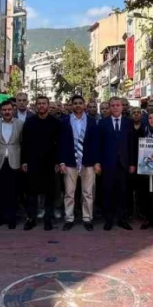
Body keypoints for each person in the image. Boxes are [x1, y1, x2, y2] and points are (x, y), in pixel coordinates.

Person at [59, 95, 100, 231]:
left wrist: (96, 162)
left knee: (88, 193)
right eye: (75, 103)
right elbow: (62, 143)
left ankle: (87, 218)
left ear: (84, 105)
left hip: (87, 161)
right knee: (69, 193)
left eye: (80, 103)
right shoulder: (64, 121)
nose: (77, 105)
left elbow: (95, 143)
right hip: (70, 161)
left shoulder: (92, 121)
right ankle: (69, 218)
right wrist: (62, 162)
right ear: (71, 105)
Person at [21, 96, 61, 230]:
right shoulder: (30, 122)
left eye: (44, 103)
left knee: (49, 192)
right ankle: (31, 218)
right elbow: (24, 143)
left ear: (48, 105)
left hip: (50, 163)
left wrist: (57, 161)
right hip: (33, 162)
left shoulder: (55, 122)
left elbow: (59, 144)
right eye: (39, 104)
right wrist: (24, 161)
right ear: (35, 106)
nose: (41, 106)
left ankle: (48, 219)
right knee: (31, 192)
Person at [98, 97, 136, 231]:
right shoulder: (103, 123)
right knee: (108, 192)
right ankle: (108, 220)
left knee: (123, 192)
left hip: (124, 164)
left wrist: (132, 163)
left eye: (117, 105)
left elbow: (132, 144)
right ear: (109, 107)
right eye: (112, 105)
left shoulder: (128, 123)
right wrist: (98, 163)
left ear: (122, 107)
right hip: (108, 163)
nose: (115, 107)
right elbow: (99, 145)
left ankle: (122, 219)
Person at [0, 100, 24, 228]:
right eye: (4, 110)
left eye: (9, 110)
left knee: (13, 192)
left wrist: (22, 162)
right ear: (0, 111)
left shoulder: (20, 124)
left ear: (13, 110)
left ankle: (11, 219)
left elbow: (22, 143)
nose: (7, 112)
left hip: (14, 162)